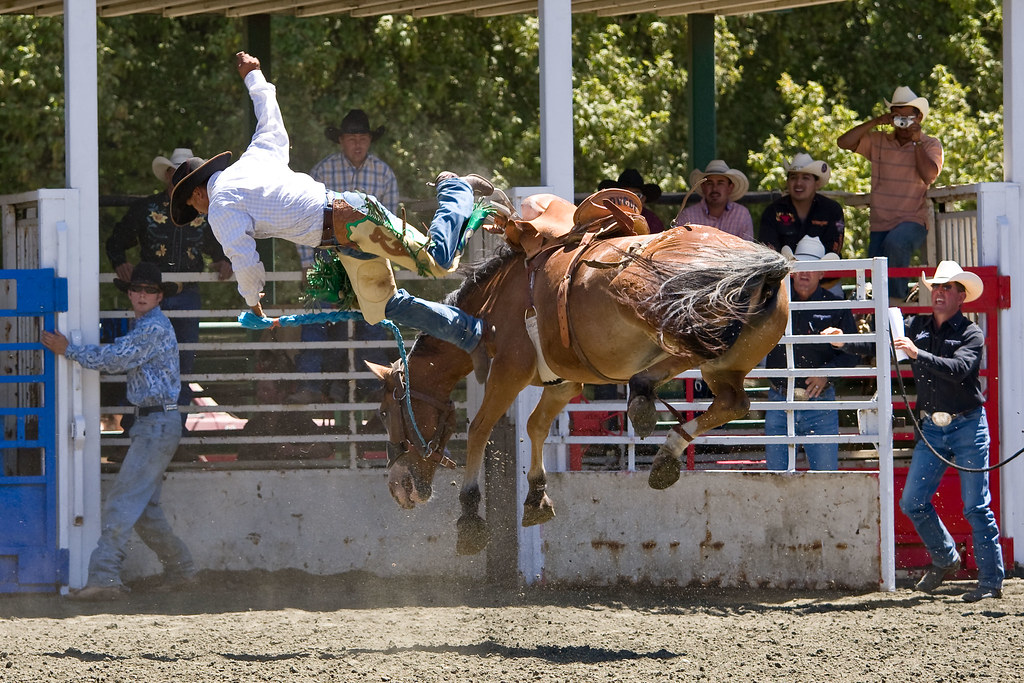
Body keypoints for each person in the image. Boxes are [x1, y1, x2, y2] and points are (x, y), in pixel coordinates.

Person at [169, 52, 497, 381]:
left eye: (192, 207)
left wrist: (253, 302)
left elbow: (244, 259)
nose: (197, 213)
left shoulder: (222, 205)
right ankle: (470, 335)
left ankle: (455, 189)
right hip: (345, 232)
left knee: (436, 260)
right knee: (382, 307)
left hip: (352, 221)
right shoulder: (251, 160)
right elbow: (269, 121)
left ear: (197, 193)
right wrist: (253, 76)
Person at [826, 260, 1003, 601]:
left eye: (946, 287)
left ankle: (990, 582)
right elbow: (880, 345)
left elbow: (960, 369)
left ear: (960, 296)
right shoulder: (915, 325)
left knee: (975, 506)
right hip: (937, 427)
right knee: (913, 501)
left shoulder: (970, 333)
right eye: (936, 286)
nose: (938, 292)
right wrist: (844, 342)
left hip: (966, 424)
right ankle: (946, 557)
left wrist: (917, 352)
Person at [41, 263, 196, 600]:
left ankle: (106, 577)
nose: (141, 295)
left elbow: (116, 359)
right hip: (156, 422)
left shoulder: (151, 328)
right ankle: (182, 570)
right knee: (144, 511)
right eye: (136, 290)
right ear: (130, 293)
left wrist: (69, 350)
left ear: (158, 297)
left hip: (155, 423)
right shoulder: (150, 325)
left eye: (148, 291)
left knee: (122, 501)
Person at [105, 147, 233, 419]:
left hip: (171, 294)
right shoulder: (147, 209)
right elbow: (116, 241)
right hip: (153, 294)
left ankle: (176, 428)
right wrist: (119, 261)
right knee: (145, 359)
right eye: (178, 174)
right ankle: (139, 426)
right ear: (167, 175)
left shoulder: (202, 208)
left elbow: (218, 244)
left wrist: (224, 260)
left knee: (181, 363)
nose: (181, 179)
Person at [289, 109, 398, 404]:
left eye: (362, 138)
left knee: (373, 325)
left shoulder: (383, 174)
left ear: (370, 140)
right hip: (329, 260)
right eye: (352, 138)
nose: (358, 144)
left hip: (369, 260)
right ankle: (310, 385)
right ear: (341, 141)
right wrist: (306, 262)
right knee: (317, 321)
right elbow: (304, 218)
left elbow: (390, 225)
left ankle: (376, 389)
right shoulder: (322, 173)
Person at [837, 86, 944, 302]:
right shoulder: (878, 141)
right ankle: (881, 321)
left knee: (896, 244)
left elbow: (929, 176)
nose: (903, 122)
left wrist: (915, 142)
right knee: (875, 273)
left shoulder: (930, 144)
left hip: (912, 221)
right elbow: (843, 142)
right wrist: (876, 122)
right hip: (880, 223)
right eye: (898, 117)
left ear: (919, 117)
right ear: (890, 117)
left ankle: (897, 303)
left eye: (908, 117)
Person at [763, 236, 856, 471]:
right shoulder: (772, 302)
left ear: (821, 273)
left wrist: (827, 374)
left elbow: (853, 352)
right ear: (792, 271)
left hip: (818, 402)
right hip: (781, 399)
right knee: (776, 481)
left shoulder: (836, 305)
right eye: (800, 267)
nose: (805, 273)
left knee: (824, 480)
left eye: (811, 268)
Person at [759, 152, 846, 257]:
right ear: (787, 182)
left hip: (825, 270)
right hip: (783, 271)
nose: (798, 183)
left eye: (805, 178)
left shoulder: (832, 210)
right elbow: (768, 249)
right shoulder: (773, 211)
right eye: (793, 177)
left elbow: (834, 249)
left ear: (817, 183)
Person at [672, 159, 753, 240]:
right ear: (703, 187)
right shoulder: (688, 216)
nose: (714, 188)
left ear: (730, 187)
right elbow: (680, 247)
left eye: (720, 183)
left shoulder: (742, 215)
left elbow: (748, 249)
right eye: (710, 183)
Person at [598, 168, 665, 233]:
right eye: (625, 195)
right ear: (617, 197)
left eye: (636, 195)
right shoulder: (605, 218)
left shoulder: (652, 220)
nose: (630, 200)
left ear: (643, 199)